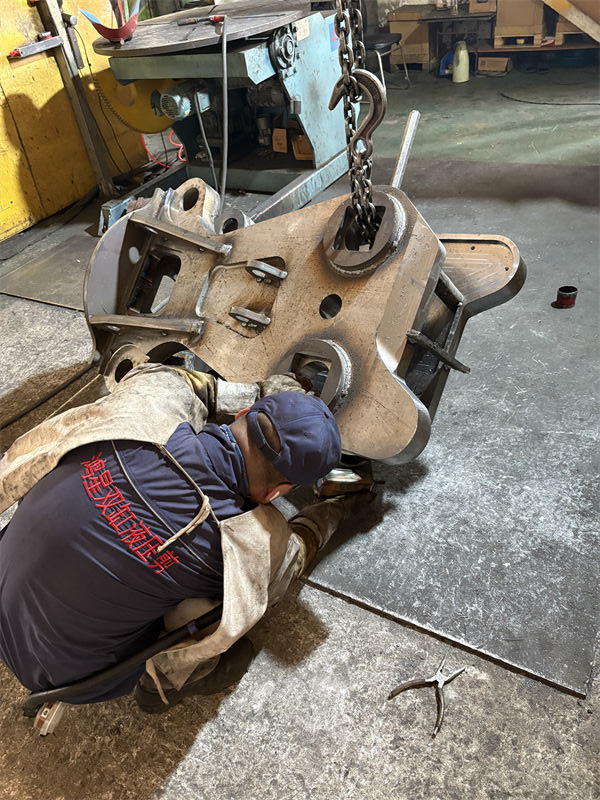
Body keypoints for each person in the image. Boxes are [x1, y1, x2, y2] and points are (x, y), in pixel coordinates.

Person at [0, 363, 365, 713]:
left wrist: (259, 390)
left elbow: (172, 378)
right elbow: (291, 560)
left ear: (242, 414)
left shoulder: (144, 405)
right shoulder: (245, 542)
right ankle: (163, 686)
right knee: (221, 605)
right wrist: (336, 509)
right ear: (276, 493)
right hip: (69, 678)